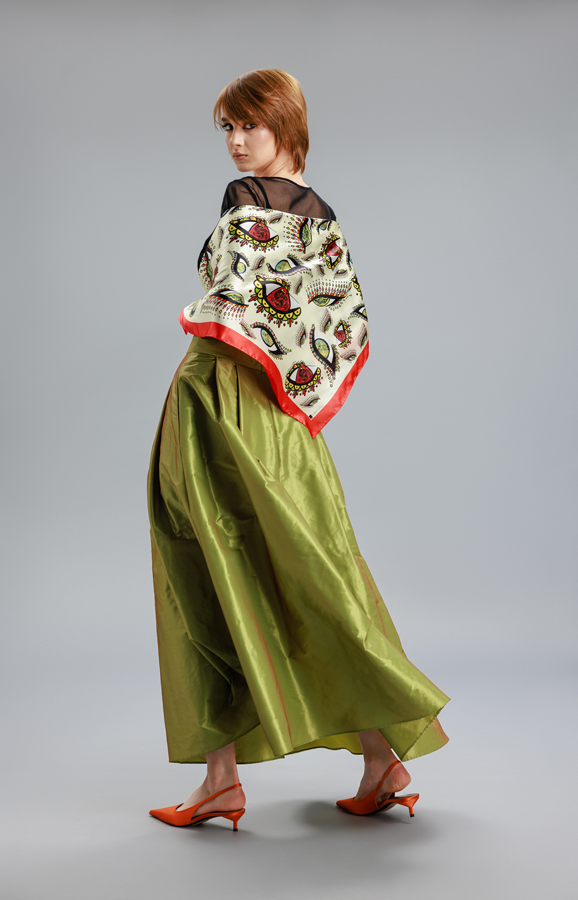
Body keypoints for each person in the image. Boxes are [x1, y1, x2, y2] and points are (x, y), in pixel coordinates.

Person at [147, 69, 449, 832]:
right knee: (314, 573)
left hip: (218, 400)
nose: (236, 141)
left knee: (204, 568)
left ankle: (222, 781)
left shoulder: (243, 202)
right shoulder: (327, 223)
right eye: (227, 127)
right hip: (286, 422)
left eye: (249, 124)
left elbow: (231, 298)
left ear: (285, 123)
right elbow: (345, 325)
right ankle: (380, 759)